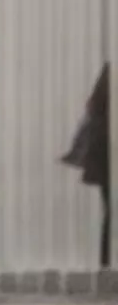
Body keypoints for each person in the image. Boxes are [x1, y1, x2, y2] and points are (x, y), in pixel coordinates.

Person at [63, 63, 110, 267]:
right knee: (112, 211)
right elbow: (95, 108)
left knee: (111, 211)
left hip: (105, 157)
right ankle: (106, 266)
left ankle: (106, 266)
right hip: (107, 156)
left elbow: (93, 107)